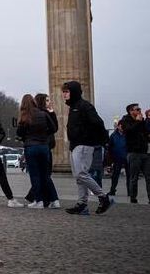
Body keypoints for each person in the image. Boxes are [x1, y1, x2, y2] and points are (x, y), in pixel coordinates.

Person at [61, 81, 112, 215]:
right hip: (76, 144)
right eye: (63, 92)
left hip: (84, 144)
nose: (64, 94)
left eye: (66, 91)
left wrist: (99, 140)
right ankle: (82, 204)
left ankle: (103, 197)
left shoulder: (84, 106)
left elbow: (98, 122)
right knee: (79, 176)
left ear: (74, 92)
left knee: (81, 174)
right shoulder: (73, 107)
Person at [17, 93, 58, 209]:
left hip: (31, 147)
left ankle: (38, 200)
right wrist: (44, 134)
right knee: (46, 175)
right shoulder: (43, 114)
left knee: (35, 175)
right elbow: (54, 128)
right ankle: (55, 200)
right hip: (44, 147)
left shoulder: (25, 116)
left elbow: (19, 133)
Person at [119, 103, 150, 203]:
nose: (140, 111)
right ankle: (133, 197)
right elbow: (129, 131)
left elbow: (146, 132)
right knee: (134, 177)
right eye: (137, 109)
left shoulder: (141, 120)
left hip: (144, 152)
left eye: (140, 109)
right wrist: (137, 122)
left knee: (148, 176)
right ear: (131, 111)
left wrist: (144, 122)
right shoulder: (125, 120)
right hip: (133, 152)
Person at [106, 120, 127, 197]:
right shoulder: (113, 136)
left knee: (129, 176)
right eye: (122, 126)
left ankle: (130, 191)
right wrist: (109, 163)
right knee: (115, 175)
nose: (123, 128)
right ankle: (112, 190)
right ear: (118, 126)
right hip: (117, 158)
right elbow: (109, 150)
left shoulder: (127, 134)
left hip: (126, 158)